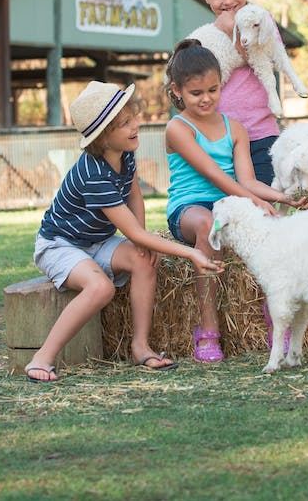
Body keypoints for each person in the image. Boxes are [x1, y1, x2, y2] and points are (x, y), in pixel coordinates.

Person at [24, 80, 221, 383]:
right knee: (100, 288)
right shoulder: (93, 174)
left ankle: (140, 347)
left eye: (133, 118)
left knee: (145, 259)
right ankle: (42, 357)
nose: (135, 126)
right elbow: (131, 229)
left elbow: (134, 196)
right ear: (103, 137)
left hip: (97, 240)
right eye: (125, 124)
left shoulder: (126, 154)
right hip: (60, 245)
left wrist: (140, 240)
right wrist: (191, 252)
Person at [164, 41, 308, 363]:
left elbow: (247, 181)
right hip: (190, 208)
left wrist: (284, 198)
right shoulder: (177, 128)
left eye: (213, 90)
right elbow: (215, 175)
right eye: (196, 93)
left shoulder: (235, 129)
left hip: (231, 203)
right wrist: (253, 201)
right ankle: (208, 329)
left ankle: (276, 314)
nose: (206, 98)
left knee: (275, 226)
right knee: (209, 225)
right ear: (177, 91)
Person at [194, 0, 280, 186]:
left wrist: (234, 31)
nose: (228, 1)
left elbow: (270, 60)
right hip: (221, 139)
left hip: (262, 134)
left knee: (262, 198)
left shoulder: (261, 21)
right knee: (229, 201)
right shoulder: (205, 38)